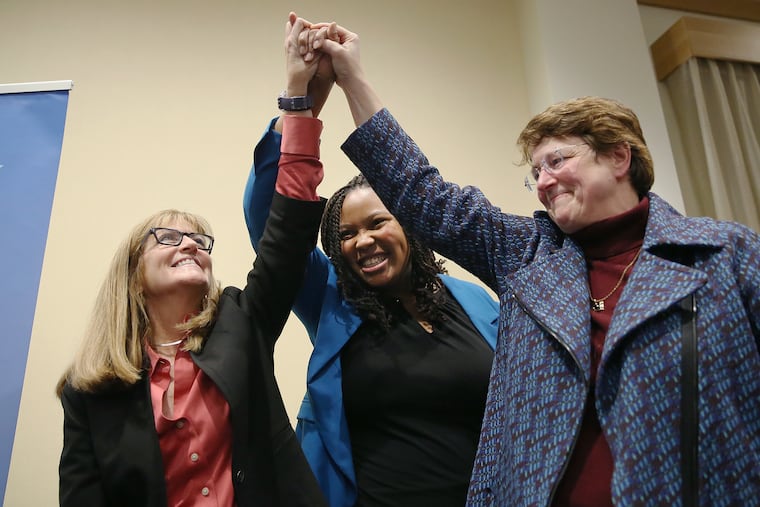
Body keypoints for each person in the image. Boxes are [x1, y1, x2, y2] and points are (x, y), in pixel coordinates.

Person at [301, 19, 760, 506]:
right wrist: (351, 77)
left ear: (620, 157)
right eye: (536, 172)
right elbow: (422, 192)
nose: (543, 181)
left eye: (557, 161)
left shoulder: (724, 254)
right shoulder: (527, 254)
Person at [56, 18, 328, 505]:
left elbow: (285, 238)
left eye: (199, 239)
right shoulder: (87, 390)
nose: (190, 244)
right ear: (131, 275)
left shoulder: (240, 322)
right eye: (168, 236)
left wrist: (296, 99)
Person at [241, 13, 499, 507]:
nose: (363, 242)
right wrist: (303, 103)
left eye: (378, 223)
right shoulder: (330, 302)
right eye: (346, 234)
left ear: (410, 224)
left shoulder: (475, 302)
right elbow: (267, 217)